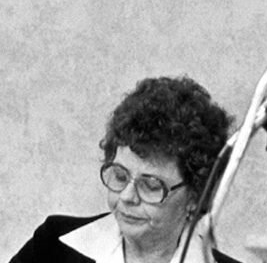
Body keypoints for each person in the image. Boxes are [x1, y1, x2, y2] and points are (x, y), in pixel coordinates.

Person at [11, 76, 240, 263]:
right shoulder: (51, 246)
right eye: (120, 176)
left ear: (195, 196)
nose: (127, 196)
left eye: (150, 185)